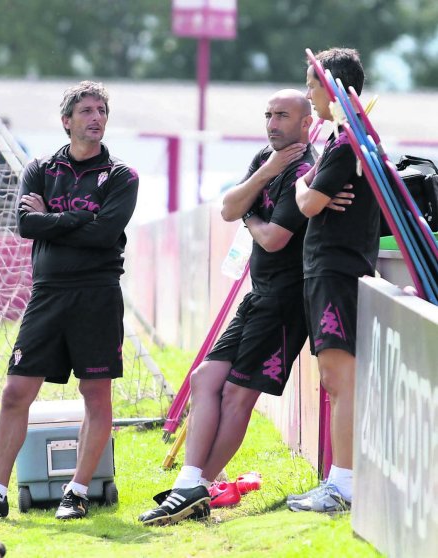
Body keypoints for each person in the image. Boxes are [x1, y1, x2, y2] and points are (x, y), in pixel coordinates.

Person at [0, 81, 139, 521]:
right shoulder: (40, 168)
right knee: (16, 391)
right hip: (48, 296)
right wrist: (78, 218)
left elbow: (104, 234)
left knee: (96, 393)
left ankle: (76, 491)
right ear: (67, 121)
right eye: (87, 111)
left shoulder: (122, 176)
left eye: (101, 110)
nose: (96, 118)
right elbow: (26, 225)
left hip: (97, 294)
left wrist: (52, 218)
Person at [138, 89, 323, 527]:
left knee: (239, 394)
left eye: (283, 116)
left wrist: (250, 216)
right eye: (269, 115)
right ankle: (193, 482)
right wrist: (265, 173)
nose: (273, 123)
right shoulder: (269, 159)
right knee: (205, 378)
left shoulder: (308, 169)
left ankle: (192, 488)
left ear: (305, 123)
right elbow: (226, 207)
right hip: (257, 296)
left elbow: (274, 237)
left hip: (285, 304)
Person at [289, 48, 380, 513]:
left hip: (337, 270)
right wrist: (313, 182)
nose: (308, 94)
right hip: (330, 269)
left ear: (334, 88)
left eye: (311, 85)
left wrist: (304, 183)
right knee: (334, 378)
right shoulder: (346, 138)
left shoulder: (348, 143)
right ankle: (338, 480)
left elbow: (306, 204)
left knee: (340, 378)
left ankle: (343, 486)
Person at [0, 116, 28, 230]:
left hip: (14, 186)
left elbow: (26, 167)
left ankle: (14, 230)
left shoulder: (18, 146)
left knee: (13, 211)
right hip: (0, 187)